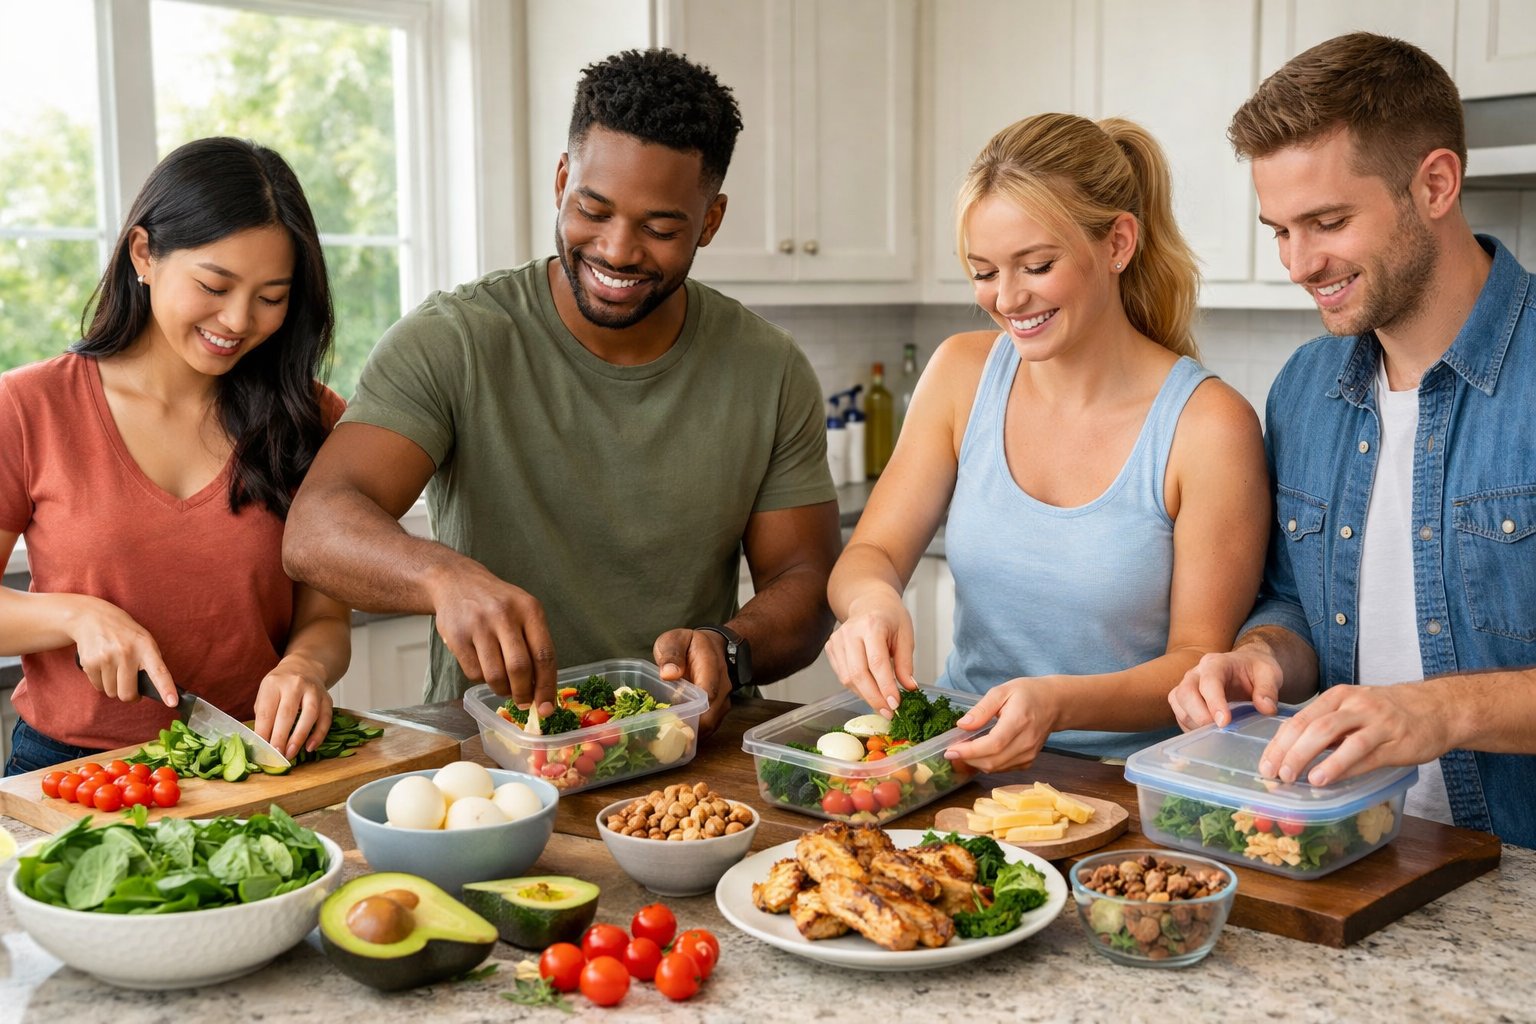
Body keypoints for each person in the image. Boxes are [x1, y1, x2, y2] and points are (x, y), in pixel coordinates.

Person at [283, 49, 840, 734]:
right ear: (560, 180)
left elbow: (807, 585)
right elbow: (315, 529)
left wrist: (731, 647)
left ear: (712, 221)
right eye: (592, 209)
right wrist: (441, 576)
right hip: (495, 754)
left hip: (685, 749)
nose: (617, 250)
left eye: (661, 229)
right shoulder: (456, 339)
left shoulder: (768, 368)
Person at [1168, 32, 1536, 848]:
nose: (1300, 263)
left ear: (1435, 183)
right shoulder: (1305, 389)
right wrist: (1261, 656)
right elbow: (1296, 601)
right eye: (1280, 230)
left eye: (1327, 221)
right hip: (1358, 848)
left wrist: (1439, 710)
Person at [825, 113, 1269, 773]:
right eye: (983, 271)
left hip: (1131, 792)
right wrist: (872, 602)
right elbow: (874, 552)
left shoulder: (1207, 426)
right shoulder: (961, 375)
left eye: (1036, 265)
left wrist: (1057, 704)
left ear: (1118, 243)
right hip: (962, 767)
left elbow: (1197, 663)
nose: (1006, 299)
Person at [0, 137, 351, 775]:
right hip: (73, 773)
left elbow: (325, 616)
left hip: (256, 762)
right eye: (214, 285)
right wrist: (76, 615)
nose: (239, 319)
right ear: (144, 254)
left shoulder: (312, 419)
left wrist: (306, 665)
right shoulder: (27, 407)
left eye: (272, 297)